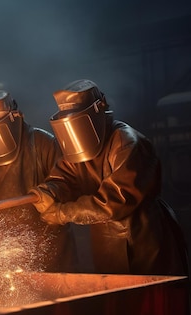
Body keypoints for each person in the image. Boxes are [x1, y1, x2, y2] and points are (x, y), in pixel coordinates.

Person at [29, 79, 189, 275]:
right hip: (106, 241)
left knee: (149, 300)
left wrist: (62, 213)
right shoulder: (78, 146)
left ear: (99, 108)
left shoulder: (128, 143)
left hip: (142, 239)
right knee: (116, 300)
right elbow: (65, 177)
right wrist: (49, 191)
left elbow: (114, 202)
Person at [0, 89, 77, 272]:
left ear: (15, 117)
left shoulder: (42, 143)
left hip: (49, 246)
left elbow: (67, 182)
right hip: (2, 249)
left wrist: (49, 192)